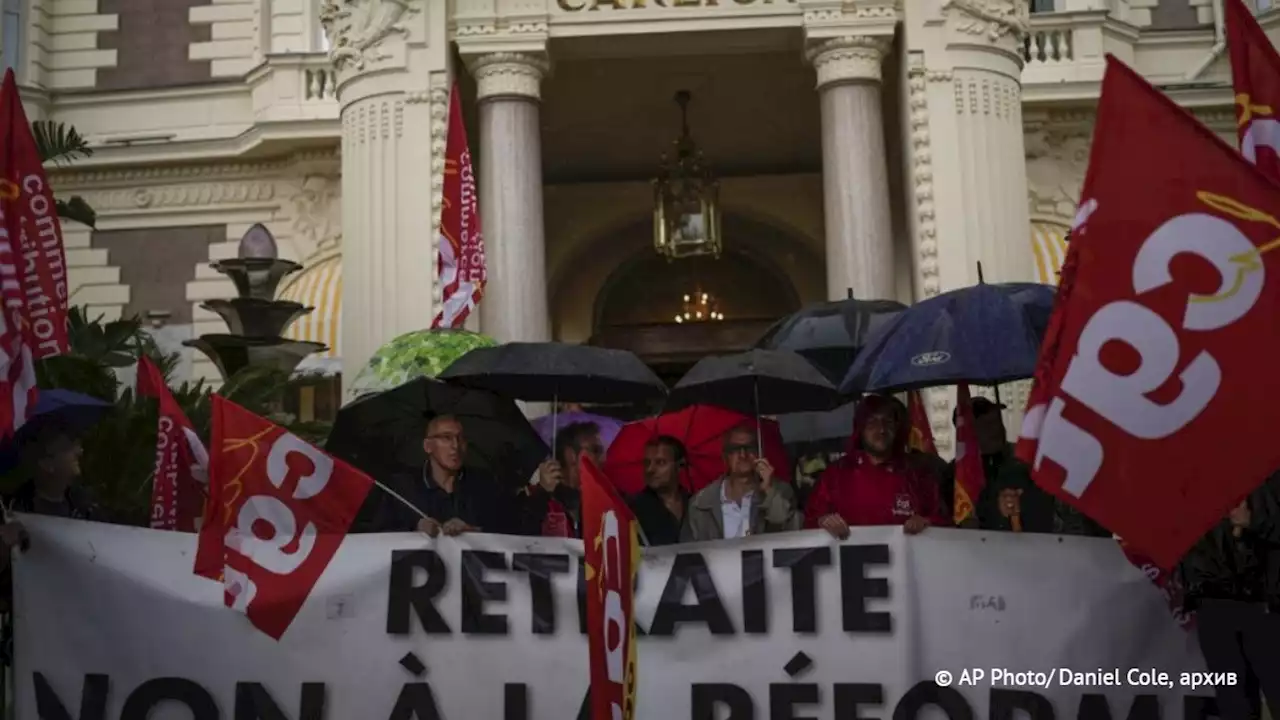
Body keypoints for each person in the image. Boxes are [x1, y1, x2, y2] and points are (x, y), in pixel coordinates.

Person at [1178, 473, 1280, 719]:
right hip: (1211, 601)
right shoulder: (1185, 464)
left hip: (1264, 603)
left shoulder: (1266, 457)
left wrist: (1255, 520)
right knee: (1234, 705)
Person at [806, 394, 947, 539]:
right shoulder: (835, 475)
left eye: (888, 422)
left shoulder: (917, 474)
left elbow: (945, 522)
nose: (881, 430)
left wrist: (927, 522)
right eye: (872, 422)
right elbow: (809, 523)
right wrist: (823, 522)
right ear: (860, 428)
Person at [359, 414, 519, 536]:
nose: (455, 446)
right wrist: (416, 528)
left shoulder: (484, 484)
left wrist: (474, 531)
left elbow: (511, 528)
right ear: (428, 446)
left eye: (460, 438)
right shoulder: (402, 487)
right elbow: (376, 534)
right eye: (446, 438)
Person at [946, 397, 1056, 533]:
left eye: (998, 421)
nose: (997, 429)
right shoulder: (954, 474)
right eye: (987, 425)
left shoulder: (1025, 459)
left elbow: (1048, 506)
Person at [681, 424, 801, 542]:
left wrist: (770, 492)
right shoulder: (700, 503)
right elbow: (688, 552)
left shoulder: (781, 491)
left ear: (759, 453)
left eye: (749, 448)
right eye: (735, 449)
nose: (743, 455)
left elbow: (790, 533)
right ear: (725, 457)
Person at [521, 422, 603, 538]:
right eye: (595, 450)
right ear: (571, 455)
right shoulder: (538, 496)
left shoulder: (597, 503)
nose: (602, 458)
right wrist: (542, 494)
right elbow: (523, 534)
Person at [6, 420, 98, 520]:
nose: (80, 451)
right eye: (69, 447)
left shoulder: (88, 507)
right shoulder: (11, 511)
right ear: (46, 463)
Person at [627, 435, 689, 546]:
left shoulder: (695, 503)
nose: (650, 470)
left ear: (680, 465)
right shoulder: (632, 509)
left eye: (660, 462)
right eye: (647, 463)